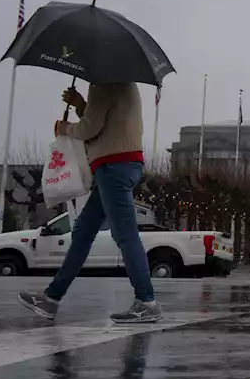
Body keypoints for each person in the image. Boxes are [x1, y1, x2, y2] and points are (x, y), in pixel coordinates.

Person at [19, 82, 162, 324]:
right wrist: (81, 105)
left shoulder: (102, 81)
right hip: (122, 163)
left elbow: (90, 128)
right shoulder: (123, 79)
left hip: (112, 165)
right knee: (84, 231)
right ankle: (51, 298)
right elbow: (106, 119)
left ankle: (147, 302)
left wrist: (65, 128)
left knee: (124, 234)